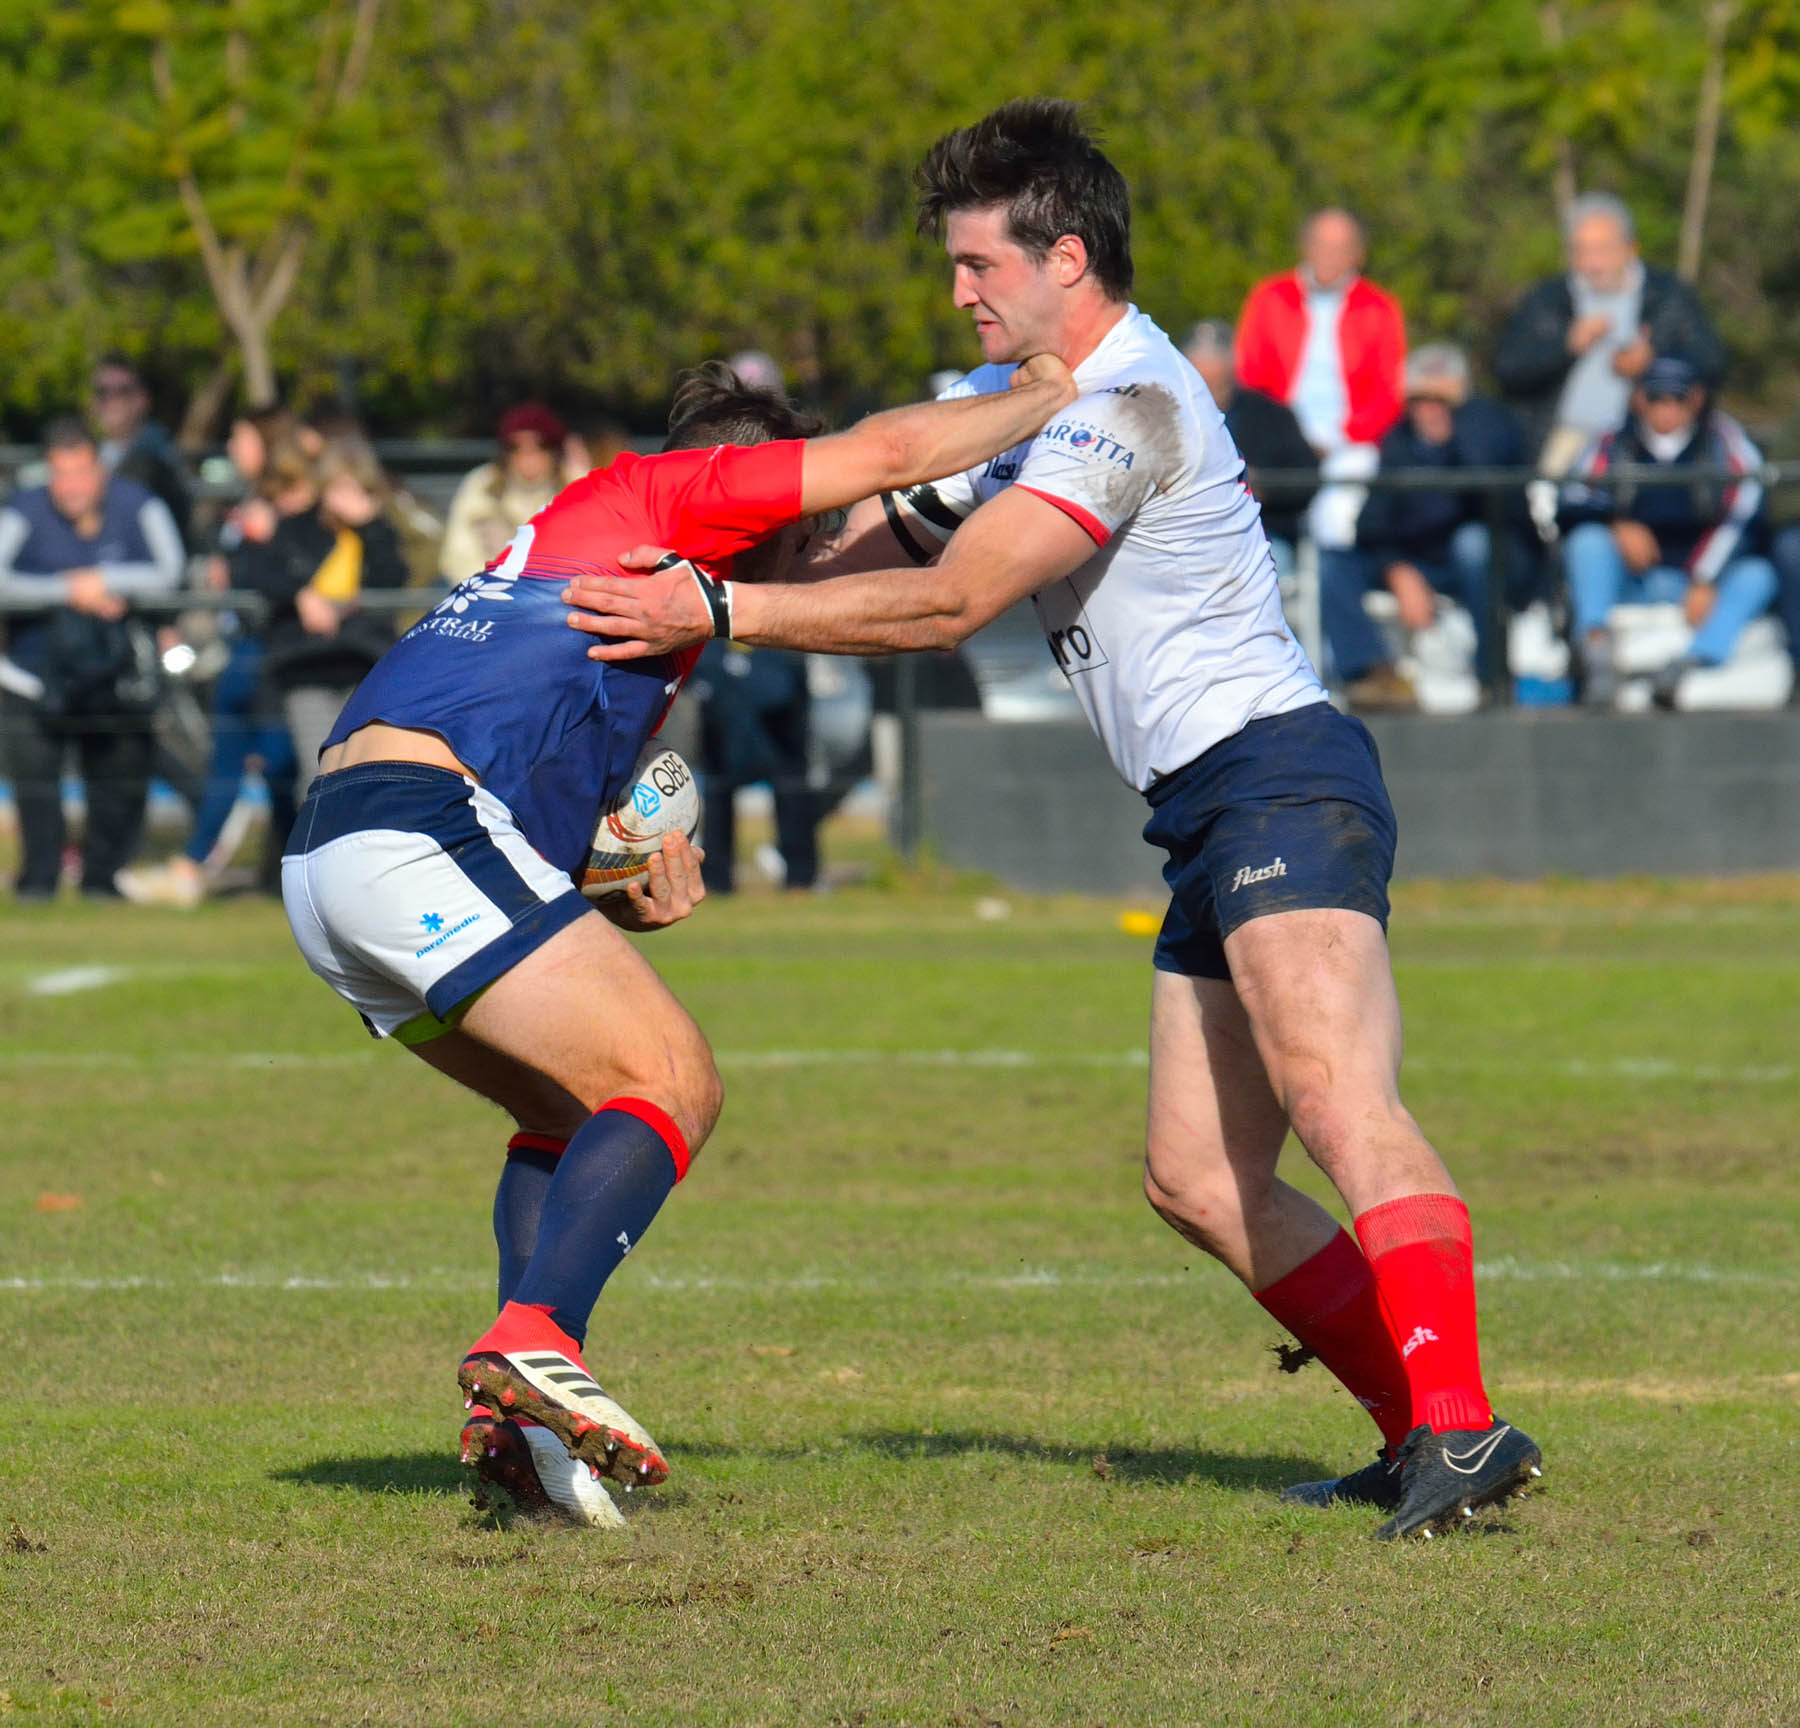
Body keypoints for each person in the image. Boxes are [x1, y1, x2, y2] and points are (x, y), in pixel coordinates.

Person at [564, 99, 1541, 1541]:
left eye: (978, 266)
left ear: (1064, 257)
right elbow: (864, 534)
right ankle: (1422, 1433)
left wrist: (718, 604)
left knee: (1337, 1097)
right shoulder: (1019, 406)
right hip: (1208, 807)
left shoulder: (1130, 405)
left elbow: (958, 596)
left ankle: (1459, 1428)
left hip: (1280, 775)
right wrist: (707, 517)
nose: (957, 291)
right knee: (1199, 1179)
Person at [280, 357, 1077, 1526]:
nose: (807, 549)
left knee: (567, 1110)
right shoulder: (667, 492)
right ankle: (537, 1339)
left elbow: (553, 856)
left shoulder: (629, 608)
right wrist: (1050, 391)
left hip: (332, 859)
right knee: (674, 1079)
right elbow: (892, 454)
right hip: (412, 828)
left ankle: (521, 1420)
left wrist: (621, 878)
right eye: (800, 522)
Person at [117, 407, 303, 908]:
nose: (232, 449)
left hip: (275, 652)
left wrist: (251, 555)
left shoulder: (286, 505)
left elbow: (287, 575)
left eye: (240, 439)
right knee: (236, 759)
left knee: (280, 766)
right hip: (243, 649)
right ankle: (207, 866)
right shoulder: (248, 502)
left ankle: (277, 868)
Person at [0, 418, 184, 898]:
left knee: (116, 783)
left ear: (99, 469)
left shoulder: (138, 504)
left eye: (81, 472)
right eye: (61, 474)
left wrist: (105, 581)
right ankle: (38, 883)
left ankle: (101, 881)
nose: (72, 486)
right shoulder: (23, 510)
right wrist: (66, 590)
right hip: (32, 677)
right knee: (37, 789)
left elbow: (170, 571)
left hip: (113, 678)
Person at [1321, 344, 1538, 707]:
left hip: (1494, 555)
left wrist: (1458, 435)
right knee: (1333, 563)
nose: (1432, 409)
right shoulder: (1399, 442)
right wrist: (1396, 570)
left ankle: (1493, 678)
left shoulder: (1493, 427)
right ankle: (1371, 675)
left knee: (1473, 543)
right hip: (1418, 559)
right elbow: (1372, 523)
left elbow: (1500, 502)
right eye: (1422, 399)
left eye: (1442, 399)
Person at [1560, 355, 1774, 709]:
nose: (1666, 410)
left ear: (1696, 399)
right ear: (1639, 399)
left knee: (1758, 575)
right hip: (1634, 578)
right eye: (1657, 398)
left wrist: (1705, 577)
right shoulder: (1614, 438)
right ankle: (1596, 653)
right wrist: (1615, 523)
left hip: (1696, 581)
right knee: (1587, 543)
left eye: (1677, 399)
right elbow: (1571, 497)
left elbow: (1747, 507)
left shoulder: (1723, 439)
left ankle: (1688, 665)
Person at [1493, 194, 1726, 476]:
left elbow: (1711, 363)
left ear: (1630, 248)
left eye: (1601, 250)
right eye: (1581, 251)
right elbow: (1509, 371)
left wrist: (1652, 361)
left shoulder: (1670, 296)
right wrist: (1565, 347)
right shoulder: (1547, 299)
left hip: (1640, 448)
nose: (1590, 263)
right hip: (1560, 442)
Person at [238, 434, 410, 793]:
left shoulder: (377, 533)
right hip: (309, 664)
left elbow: (393, 576)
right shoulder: (299, 527)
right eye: (339, 487)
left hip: (364, 664)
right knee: (318, 772)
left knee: (366, 770)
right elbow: (259, 573)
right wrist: (300, 594)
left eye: (357, 490)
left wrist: (370, 527)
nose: (347, 500)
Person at [1234, 209, 1406, 556]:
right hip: (1280, 444)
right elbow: (1251, 377)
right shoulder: (1270, 298)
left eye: (1341, 248)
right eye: (1321, 245)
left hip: (1348, 447)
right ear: (1305, 247)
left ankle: (1328, 602)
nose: (1330, 256)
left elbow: (1388, 393)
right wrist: (1290, 439)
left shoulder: (1379, 308)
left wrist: (1339, 439)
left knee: (1337, 521)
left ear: (1358, 255)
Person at [1181, 319, 1318, 581]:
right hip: (1183, 536)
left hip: (1259, 533)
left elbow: (1308, 477)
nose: (1209, 388)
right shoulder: (1165, 415)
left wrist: (1261, 485)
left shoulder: (1271, 416)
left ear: (1232, 365)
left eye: (1215, 382)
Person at [438, 403, 572, 583]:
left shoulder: (577, 486)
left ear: (555, 450)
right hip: (490, 599)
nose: (528, 455)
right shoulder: (482, 485)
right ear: (505, 452)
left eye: (540, 445)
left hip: (560, 599)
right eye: (515, 446)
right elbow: (458, 555)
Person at [89, 354, 193, 550]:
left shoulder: (157, 461)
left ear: (142, 400)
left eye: (123, 391)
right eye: (102, 391)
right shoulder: (88, 456)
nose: (111, 400)